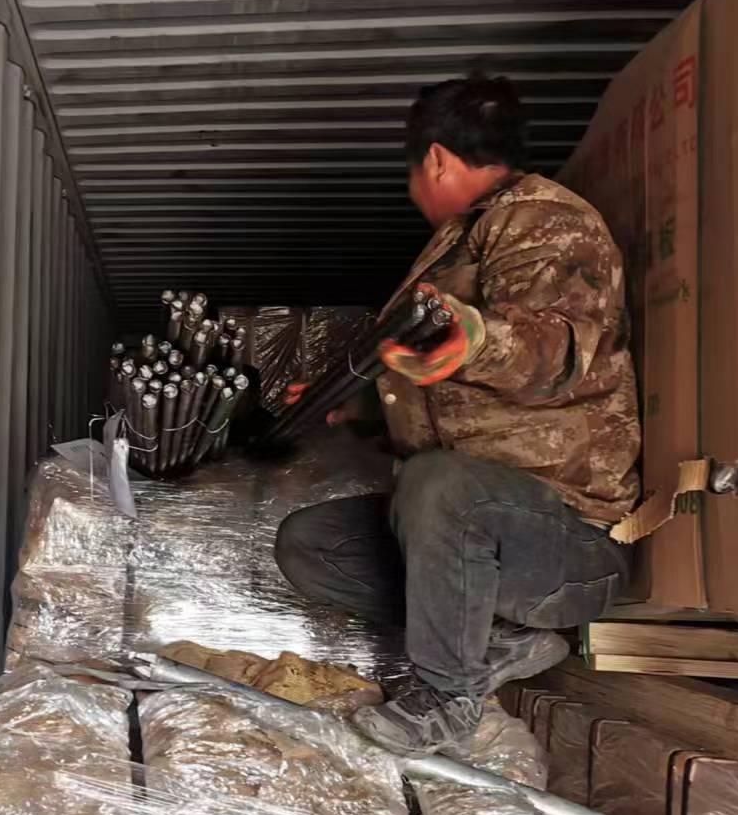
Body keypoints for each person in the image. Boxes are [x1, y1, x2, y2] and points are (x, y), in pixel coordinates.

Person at [273, 74, 641, 752]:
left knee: (440, 484)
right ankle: (502, 639)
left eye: (414, 173)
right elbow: (448, 399)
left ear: (437, 159)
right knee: (310, 543)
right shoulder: (462, 241)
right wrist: (357, 409)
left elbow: (557, 349)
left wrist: (475, 336)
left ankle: (446, 698)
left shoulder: (542, 219)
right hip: (491, 533)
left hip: (570, 542)